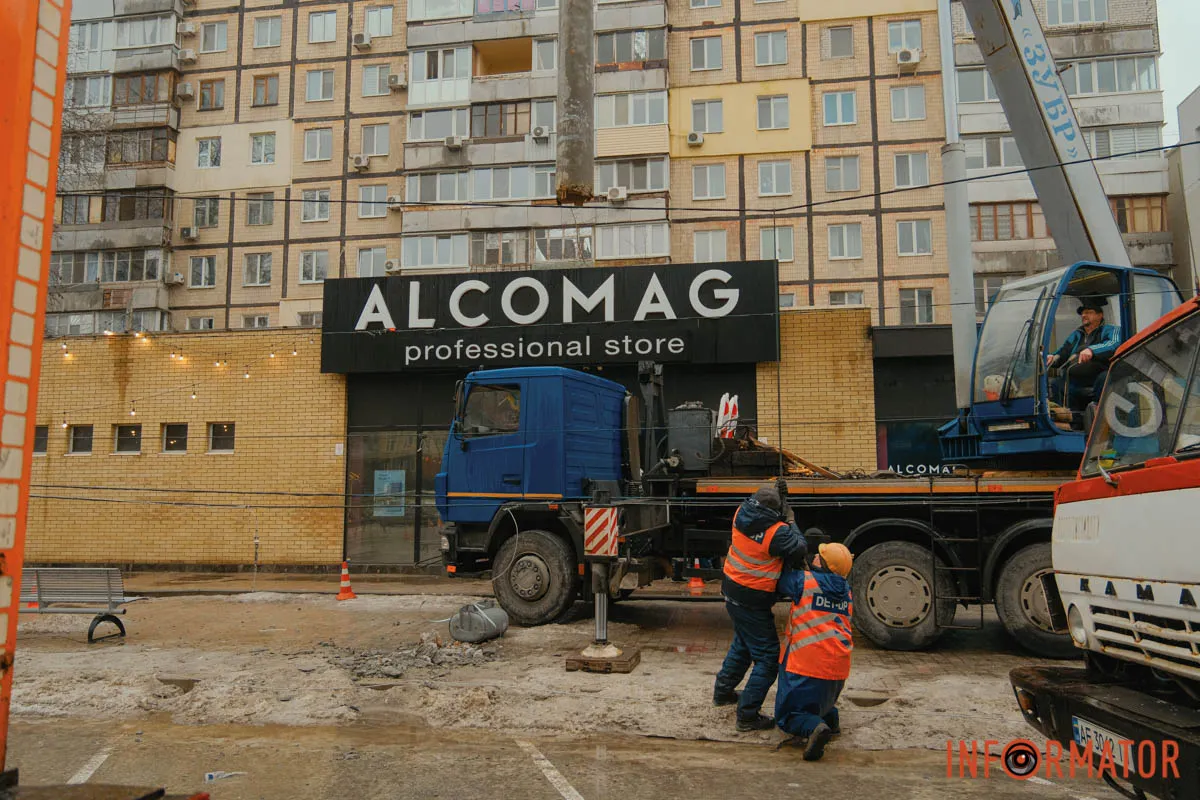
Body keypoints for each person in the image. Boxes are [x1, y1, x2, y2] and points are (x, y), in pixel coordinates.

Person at [713, 483, 807, 732]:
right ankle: (747, 715)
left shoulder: (740, 512)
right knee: (766, 657)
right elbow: (799, 546)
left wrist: (777, 501)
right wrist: (790, 517)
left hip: (732, 587)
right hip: (752, 597)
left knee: (744, 643)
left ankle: (722, 692)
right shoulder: (776, 532)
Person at [775, 542, 853, 762]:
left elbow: (781, 582)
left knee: (789, 716)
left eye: (819, 556)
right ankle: (830, 721)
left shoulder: (804, 582)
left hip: (805, 664)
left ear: (825, 565)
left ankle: (815, 728)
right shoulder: (846, 590)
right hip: (838, 667)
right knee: (822, 700)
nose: (814, 557)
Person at [1045, 298, 1121, 412]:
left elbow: (1113, 344)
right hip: (1077, 379)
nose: (1084, 315)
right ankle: (1069, 421)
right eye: (1083, 313)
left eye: (1089, 312)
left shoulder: (1111, 330)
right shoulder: (1076, 335)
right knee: (1057, 383)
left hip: (1098, 375)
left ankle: (1098, 417)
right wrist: (1052, 357)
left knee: (1105, 377)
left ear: (1100, 315)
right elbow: (1064, 351)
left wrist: (1091, 350)